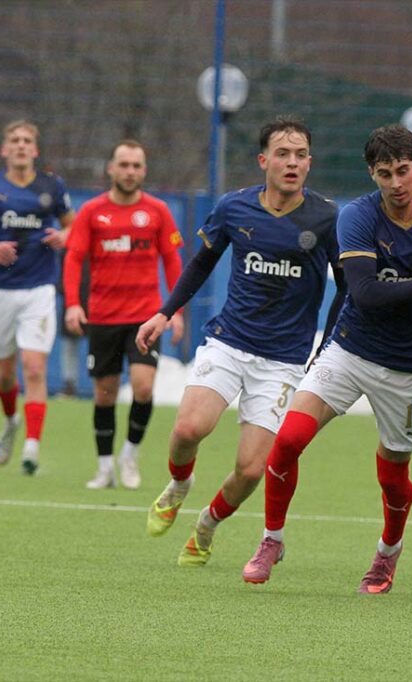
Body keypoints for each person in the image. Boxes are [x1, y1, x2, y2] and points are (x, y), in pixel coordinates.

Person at [241, 124, 412, 591]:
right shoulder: (357, 216)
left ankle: (387, 553)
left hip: (406, 368)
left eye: (404, 171)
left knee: (394, 473)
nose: (396, 184)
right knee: (286, 442)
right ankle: (271, 538)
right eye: (385, 174)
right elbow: (362, 293)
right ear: (373, 174)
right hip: (349, 349)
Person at [135, 116, 345, 567]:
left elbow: (346, 287)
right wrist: (164, 311)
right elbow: (200, 264)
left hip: (284, 361)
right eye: (283, 154)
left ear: (309, 162)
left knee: (251, 469)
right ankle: (179, 485)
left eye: (300, 155)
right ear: (263, 160)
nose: (292, 163)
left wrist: (326, 344)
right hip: (229, 342)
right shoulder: (234, 207)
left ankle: (206, 525)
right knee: (189, 429)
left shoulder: (328, 217)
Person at [63, 140, 185, 490]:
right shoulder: (91, 212)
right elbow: (73, 259)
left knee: (143, 388)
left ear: (143, 171)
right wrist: (74, 303)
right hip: (102, 317)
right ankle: (104, 467)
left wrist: (173, 310)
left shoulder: (158, 211)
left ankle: (130, 454)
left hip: (145, 317)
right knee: (105, 393)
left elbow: (173, 261)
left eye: (136, 165)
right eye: (124, 164)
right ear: (111, 169)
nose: (130, 171)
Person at [0, 120, 75, 475]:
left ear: (35, 150)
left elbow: (74, 225)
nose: (21, 146)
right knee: (5, 376)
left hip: (38, 289)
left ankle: (32, 447)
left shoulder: (51, 186)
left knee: (34, 368)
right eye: (15, 141)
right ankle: (10, 422)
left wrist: (63, 237)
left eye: (27, 141)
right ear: (4, 149)